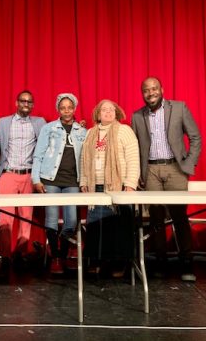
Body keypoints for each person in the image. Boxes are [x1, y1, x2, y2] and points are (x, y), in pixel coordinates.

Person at [131, 77, 201, 282]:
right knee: (156, 220)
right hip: (151, 170)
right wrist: (137, 175)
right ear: (142, 93)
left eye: (154, 88)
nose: (150, 93)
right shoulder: (137, 116)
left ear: (162, 89)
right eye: (146, 90)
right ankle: (160, 262)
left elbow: (195, 137)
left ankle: (186, 262)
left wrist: (188, 164)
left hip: (175, 168)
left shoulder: (179, 108)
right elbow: (134, 148)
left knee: (180, 217)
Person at [80, 99, 140, 277]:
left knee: (119, 226)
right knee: (95, 226)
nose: (108, 112)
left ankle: (118, 263)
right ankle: (96, 261)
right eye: (104, 110)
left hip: (118, 186)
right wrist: (84, 181)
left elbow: (132, 158)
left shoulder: (124, 131)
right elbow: (84, 160)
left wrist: (130, 184)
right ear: (98, 114)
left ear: (117, 113)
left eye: (111, 109)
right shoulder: (90, 133)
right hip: (95, 187)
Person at [31, 93, 87, 275]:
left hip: (72, 181)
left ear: (74, 108)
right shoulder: (49, 128)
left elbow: (86, 159)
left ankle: (62, 255)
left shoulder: (82, 131)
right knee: (52, 220)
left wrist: (84, 181)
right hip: (50, 179)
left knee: (71, 221)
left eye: (69, 107)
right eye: (63, 108)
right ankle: (56, 258)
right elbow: (38, 155)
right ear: (58, 109)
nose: (66, 111)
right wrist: (36, 179)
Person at [0, 90, 46, 274]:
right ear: (16, 103)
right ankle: (6, 256)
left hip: (29, 175)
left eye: (29, 102)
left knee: (26, 217)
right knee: (5, 218)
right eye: (23, 101)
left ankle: (21, 253)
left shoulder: (40, 123)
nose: (26, 104)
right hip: (8, 174)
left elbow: (47, 145)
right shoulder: (4, 122)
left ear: (32, 105)